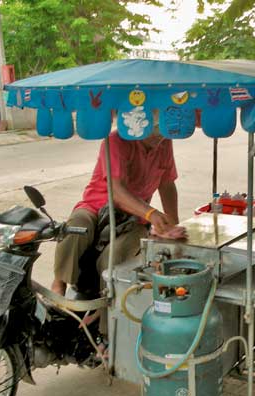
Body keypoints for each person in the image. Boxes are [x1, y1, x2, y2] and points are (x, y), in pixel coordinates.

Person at [51, 122, 182, 335]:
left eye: (162, 131)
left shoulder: (165, 143)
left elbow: (167, 184)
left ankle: (105, 327)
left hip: (134, 218)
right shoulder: (116, 140)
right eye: (155, 129)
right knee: (76, 227)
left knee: (116, 257)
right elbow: (117, 191)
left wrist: (172, 222)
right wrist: (151, 213)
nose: (159, 137)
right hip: (97, 205)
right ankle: (59, 283)